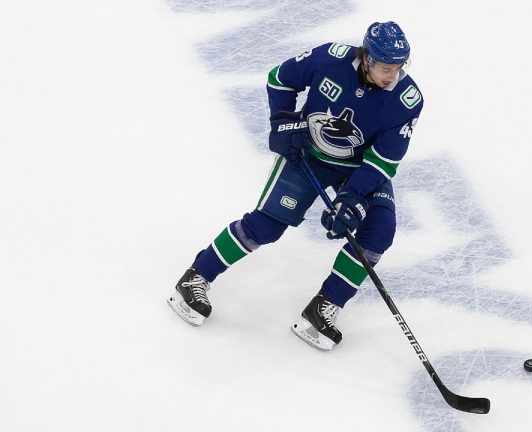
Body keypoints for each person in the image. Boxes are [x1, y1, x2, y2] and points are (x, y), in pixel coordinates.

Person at [168, 21, 423, 351]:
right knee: (266, 227)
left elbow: (383, 160)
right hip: (308, 153)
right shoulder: (329, 59)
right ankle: (197, 276)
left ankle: (323, 307)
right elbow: (280, 78)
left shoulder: (407, 99)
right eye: (386, 67)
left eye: (399, 68)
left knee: (380, 230)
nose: (393, 75)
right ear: (367, 57)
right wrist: (282, 121)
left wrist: (351, 197)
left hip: (358, 169)